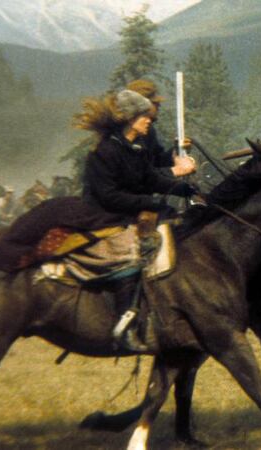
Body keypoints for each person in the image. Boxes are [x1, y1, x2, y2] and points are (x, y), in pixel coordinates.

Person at [79, 88, 198, 350]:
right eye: (145, 116)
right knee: (135, 250)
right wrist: (149, 202)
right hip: (104, 216)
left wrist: (181, 188)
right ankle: (126, 319)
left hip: (128, 210)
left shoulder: (135, 147)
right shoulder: (104, 151)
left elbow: (149, 178)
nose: (150, 120)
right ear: (130, 118)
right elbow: (109, 196)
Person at [126, 79, 196, 179]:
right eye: (155, 102)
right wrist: (176, 170)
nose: (159, 105)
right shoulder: (125, 134)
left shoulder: (149, 131)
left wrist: (176, 151)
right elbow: (138, 177)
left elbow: (158, 162)